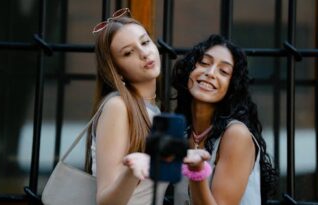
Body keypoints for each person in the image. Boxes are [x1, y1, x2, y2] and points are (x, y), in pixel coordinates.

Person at [172, 34, 278, 205]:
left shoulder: (236, 135)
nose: (210, 73)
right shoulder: (184, 133)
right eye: (204, 63)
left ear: (232, 86)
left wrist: (197, 172)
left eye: (224, 71)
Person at [85, 8, 168, 205]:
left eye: (145, 42)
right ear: (117, 70)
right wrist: (132, 171)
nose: (144, 53)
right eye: (129, 53)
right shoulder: (118, 107)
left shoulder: (152, 109)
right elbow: (106, 201)